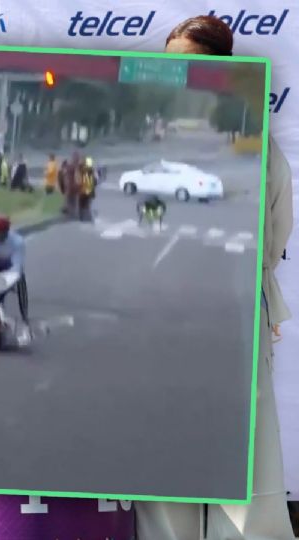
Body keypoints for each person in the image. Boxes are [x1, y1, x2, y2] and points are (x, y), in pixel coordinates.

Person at [137, 15, 296, 540]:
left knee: (244, 493)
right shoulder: (153, 148)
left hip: (232, 328)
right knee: (164, 484)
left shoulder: (260, 150)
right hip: (160, 324)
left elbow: (269, 249)